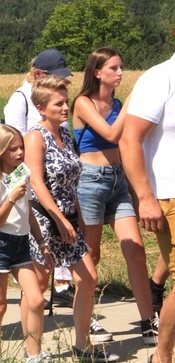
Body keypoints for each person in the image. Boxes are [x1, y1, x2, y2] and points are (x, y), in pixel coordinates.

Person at [25, 76, 118, 362]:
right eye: (59, 103)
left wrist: (75, 217)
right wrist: (60, 220)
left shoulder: (65, 134)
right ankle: (33, 352)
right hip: (44, 221)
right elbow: (37, 184)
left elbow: (72, 181)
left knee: (88, 278)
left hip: (69, 218)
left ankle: (82, 344)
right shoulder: (34, 137)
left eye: (67, 101)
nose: (66, 107)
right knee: (38, 289)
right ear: (41, 108)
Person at [72, 48, 158, 345]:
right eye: (114, 68)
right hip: (90, 182)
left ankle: (149, 320)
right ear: (97, 72)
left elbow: (126, 143)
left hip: (118, 181)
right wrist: (135, 100)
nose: (120, 73)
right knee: (91, 255)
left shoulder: (118, 103)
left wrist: (136, 190)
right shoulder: (83, 103)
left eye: (121, 67)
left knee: (135, 249)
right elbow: (111, 133)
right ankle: (89, 318)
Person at [4, 49, 77, 310]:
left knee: (70, 272)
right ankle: (32, 323)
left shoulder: (59, 113)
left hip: (59, 193)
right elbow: (16, 148)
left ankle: (64, 289)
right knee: (39, 276)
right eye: (53, 77)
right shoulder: (20, 100)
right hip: (36, 198)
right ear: (38, 75)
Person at [120, 52, 175, 363]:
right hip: (169, 194)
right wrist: (145, 196)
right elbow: (129, 140)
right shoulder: (160, 77)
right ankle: (163, 355)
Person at [0, 125, 53, 362]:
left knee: (36, 299)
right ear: (0, 151)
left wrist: (42, 242)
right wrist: (11, 197)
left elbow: (29, 211)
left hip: (21, 243)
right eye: (13, 149)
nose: (20, 153)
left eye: (21, 147)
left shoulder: (22, 171)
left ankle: (33, 353)